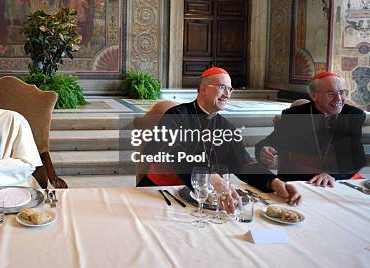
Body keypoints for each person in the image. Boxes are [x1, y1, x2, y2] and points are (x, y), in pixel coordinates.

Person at [139, 67, 301, 208]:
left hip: (202, 196)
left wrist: (274, 182)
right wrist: (212, 179)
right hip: (163, 192)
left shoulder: (226, 127)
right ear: (203, 89)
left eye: (230, 89)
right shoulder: (176, 115)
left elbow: (244, 163)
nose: (227, 94)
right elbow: (175, 154)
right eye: (222, 87)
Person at [255, 72, 366, 187]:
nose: (338, 99)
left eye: (342, 93)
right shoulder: (295, 115)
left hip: (336, 181)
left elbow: (357, 159)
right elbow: (269, 142)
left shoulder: (353, 115)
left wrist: (332, 175)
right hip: (300, 181)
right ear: (314, 95)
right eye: (331, 94)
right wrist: (264, 150)